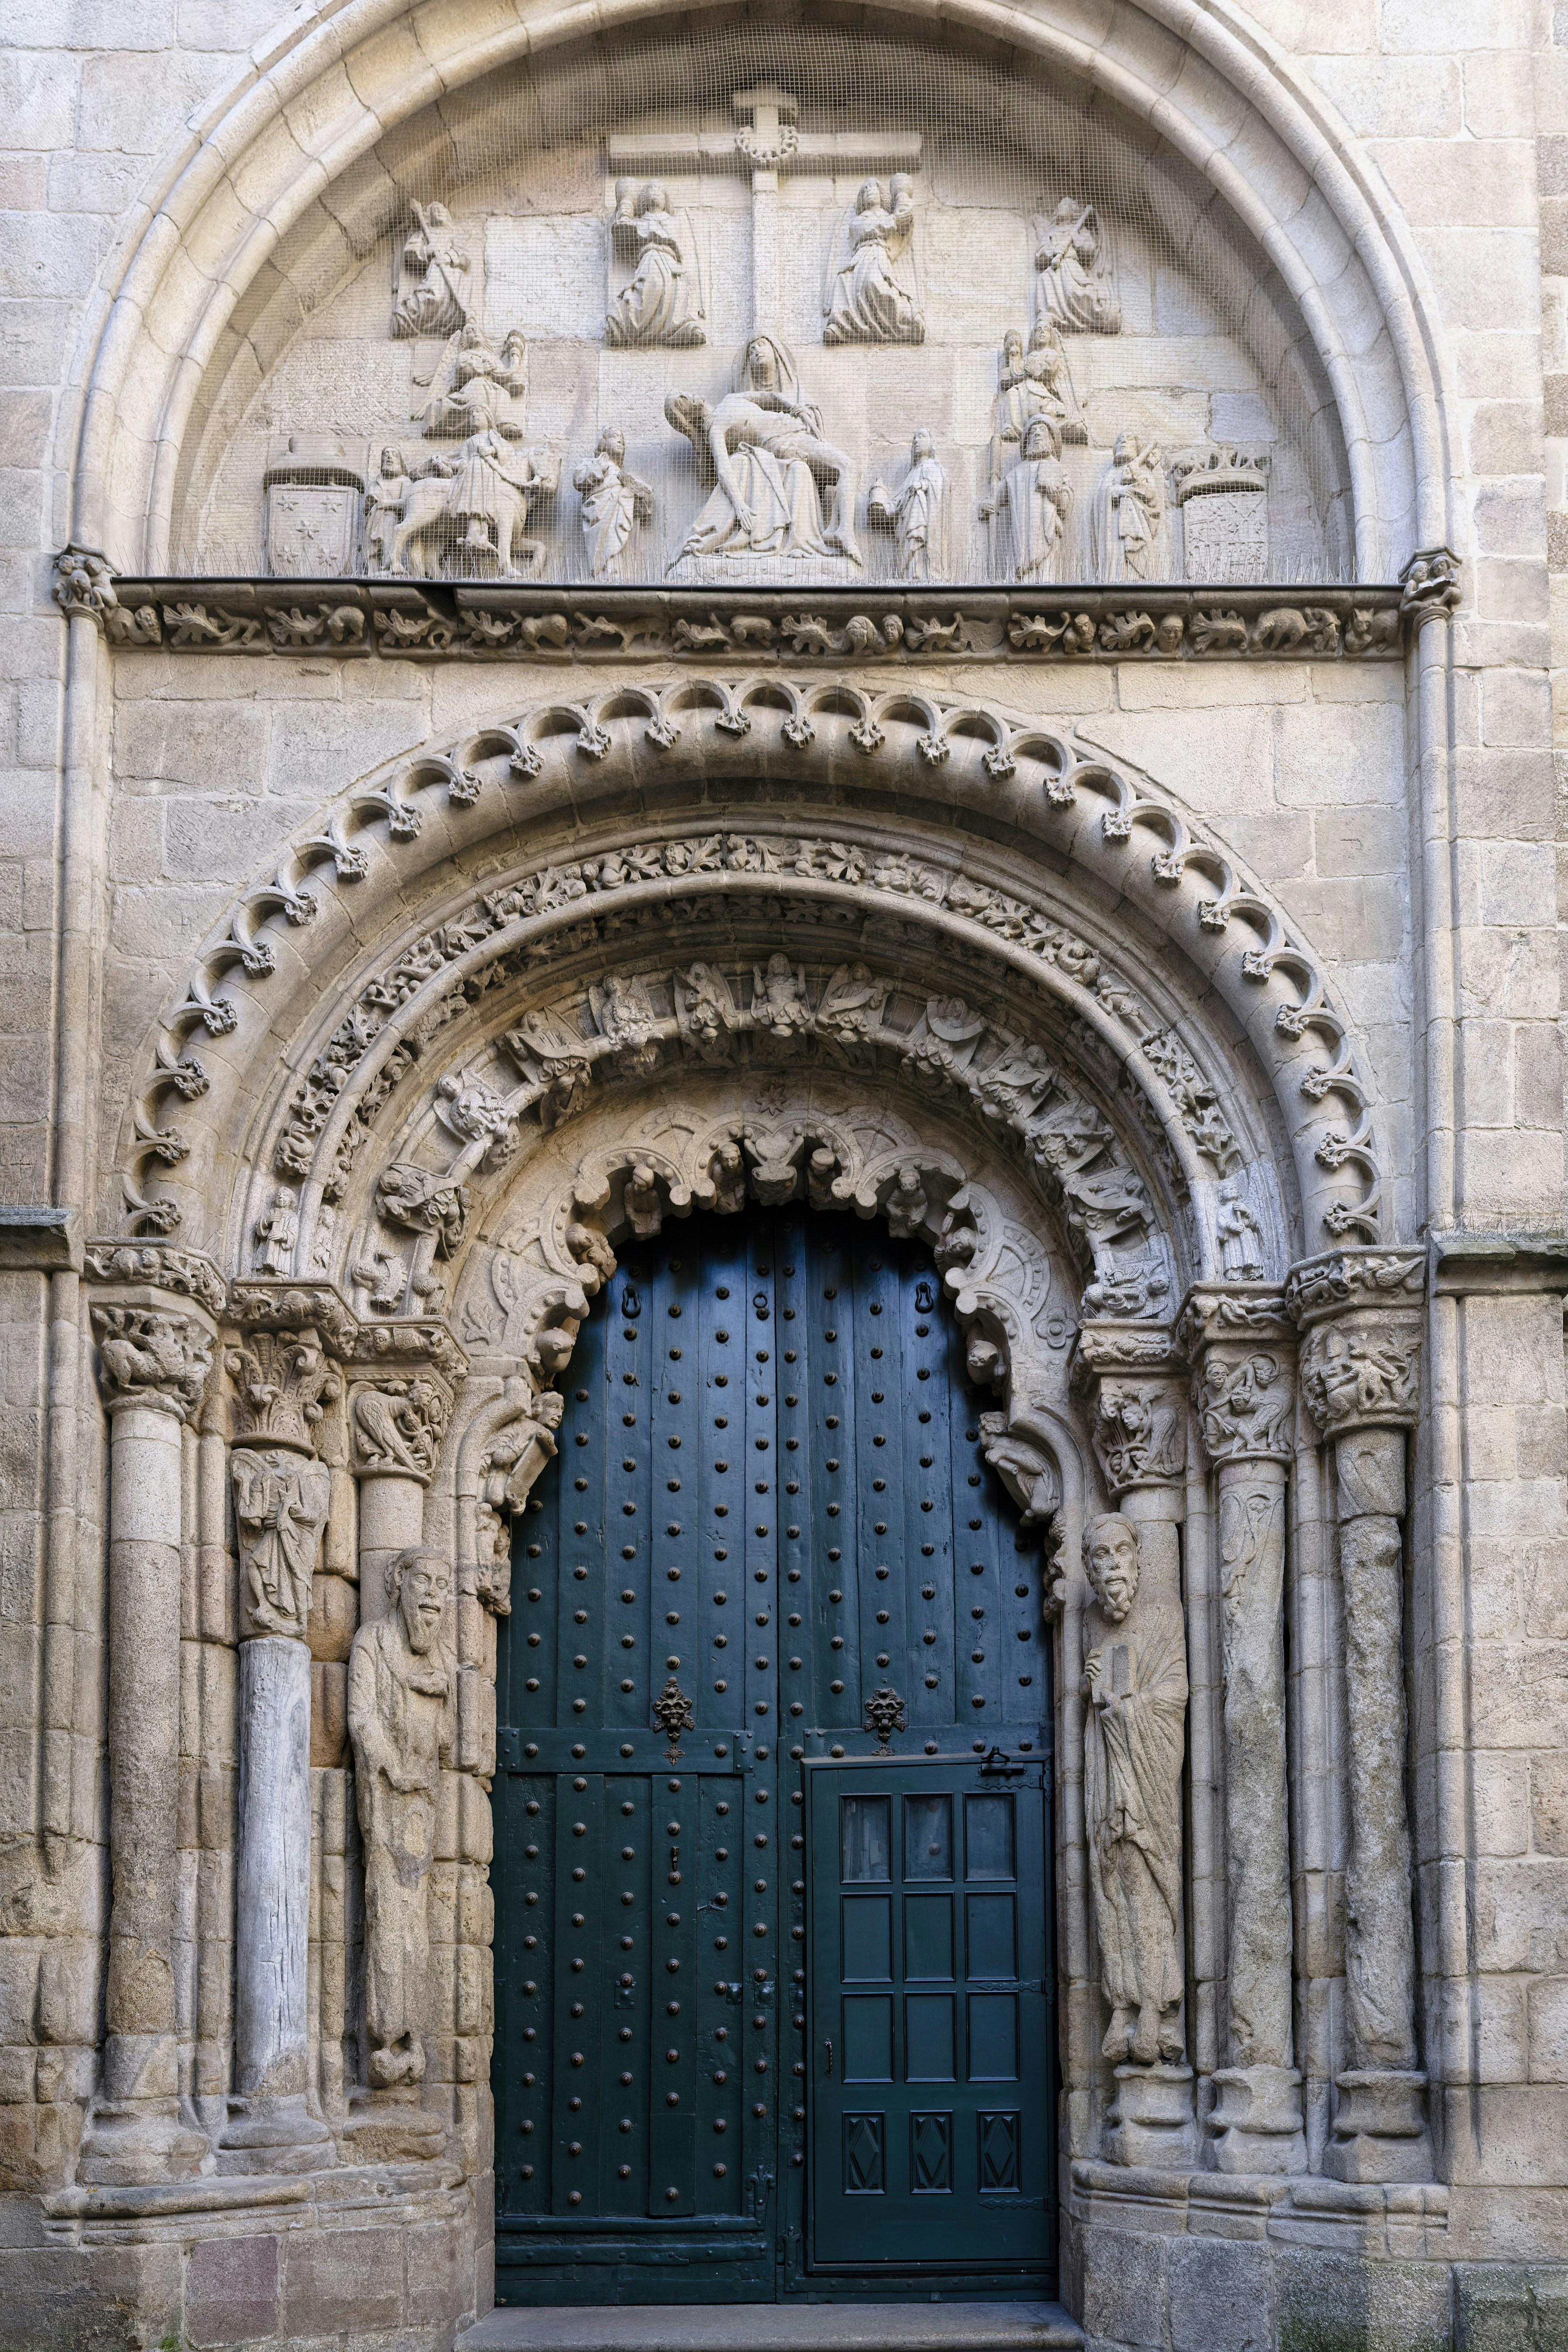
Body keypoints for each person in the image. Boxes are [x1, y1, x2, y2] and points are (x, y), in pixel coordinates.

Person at [1081, 1514, 1188, 2068]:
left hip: (1146, 1772)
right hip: (1106, 1769)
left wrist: (1127, 1709)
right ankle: (1120, 2002)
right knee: (1110, 1879)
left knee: (1144, 1880)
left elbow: (1174, 1694)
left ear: (1138, 1558)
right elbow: (1095, 1699)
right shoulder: (1091, 1625)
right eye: (1099, 1557)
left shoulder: (1163, 1613)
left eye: (1120, 1552)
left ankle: (1156, 2007)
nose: (1111, 1564)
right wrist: (1094, 1687)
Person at [347, 1549, 454, 2089]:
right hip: (388, 1800)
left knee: (417, 1913)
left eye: (443, 1584)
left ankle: (413, 2033)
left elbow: (452, 1739)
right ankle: (386, 2034)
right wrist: (392, 1765)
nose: (433, 1594)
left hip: (425, 1806)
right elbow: (361, 1717)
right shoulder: (372, 1642)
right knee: (389, 1907)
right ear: (398, 1585)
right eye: (423, 1581)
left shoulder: (444, 1660)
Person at [665, 335, 860, 567]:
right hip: (785, 442)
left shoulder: (730, 399)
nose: (689, 396)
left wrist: (797, 409)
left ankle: (836, 530)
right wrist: (740, 506)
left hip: (794, 427)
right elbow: (724, 472)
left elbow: (769, 398)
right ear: (686, 417)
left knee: (847, 468)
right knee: (849, 467)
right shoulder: (716, 428)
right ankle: (843, 532)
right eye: (682, 401)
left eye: (684, 394)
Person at [822, 176, 924, 345]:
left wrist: (903, 203)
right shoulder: (858, 221)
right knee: (842, 282)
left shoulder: (887, 216)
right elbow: (867, 230)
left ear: (882, 194)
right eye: (864, 190)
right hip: (860, 261)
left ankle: (908, 320)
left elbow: (901, 231)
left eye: (872, 188)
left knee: (874, 283)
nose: (868, 191)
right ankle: (841, 326)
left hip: (878, 259)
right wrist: (894, 221)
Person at [606, 181, 705, 347]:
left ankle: (676, 326)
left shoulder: (676, 221)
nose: (655, 193)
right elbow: (622, 239)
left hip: (671, 262)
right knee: (653, 284)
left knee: (680, 288)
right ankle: (627, 325)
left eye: (659, 190)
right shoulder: (638, 221)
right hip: (650, 258)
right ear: (644, 198)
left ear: (666, 199)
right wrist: (624, 214)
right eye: (651, 190)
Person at [982, 412, 1074, 581]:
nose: (1037, 434)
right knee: (1023, 577)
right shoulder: (1018, 472)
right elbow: (997, 498)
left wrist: (1054, 494)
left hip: (1049, 533)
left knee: (1047, 577)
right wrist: (987, 505)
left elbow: (1066, 504)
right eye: (1033, 432)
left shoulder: (1058, 469)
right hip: (1022, 538)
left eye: (1042, 431)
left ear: (1052, 440)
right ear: (1026, 442)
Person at [574, 426, 653, 579]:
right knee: (602, 546)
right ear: (603, 443)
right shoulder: (592, 463)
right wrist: (599, 468)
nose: (620, 441)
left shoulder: (624, 476)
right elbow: (578, 481)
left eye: (622, 441)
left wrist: (641, 492)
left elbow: (643, 508)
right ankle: (600, 573)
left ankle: (613, 572)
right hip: (599, 512)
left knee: (615, 545)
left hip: (618, 513)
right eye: (615, 436)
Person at [869, 427, 948, 581]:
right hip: (906, 525)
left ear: (932, 443)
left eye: (922, 436)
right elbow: (900, 501)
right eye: (914, 439)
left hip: (922, 520)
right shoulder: (912, 473)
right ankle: (911, 575)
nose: (917, 441)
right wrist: (882, 507)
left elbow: (940, 486)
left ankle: (923, 575)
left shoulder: (932, 466)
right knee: (909, 553)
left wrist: (923, 485)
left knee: (918, 544)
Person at [1034, 197, 1121, 334]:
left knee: (1071, 290)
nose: (1061, 209)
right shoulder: (1050, 233)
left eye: (1065, 206)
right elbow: (1039, 256)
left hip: (1072, 265)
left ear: (1071, 212)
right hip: (1055, 269)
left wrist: (1077, 239)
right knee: (1043, 279)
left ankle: (1098, 317)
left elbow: (1090, 250)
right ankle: (1052, 316)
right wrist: (1052, 252)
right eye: (1060, 206)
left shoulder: (1078, 230)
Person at [1091, 432, 1167, 581]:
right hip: (1114, 533)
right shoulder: (1111, 473)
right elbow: (1101, 498)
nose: (1124, 442)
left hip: (1138, 528)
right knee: (1117, 565)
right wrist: (1120, 491)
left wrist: (1135, 476)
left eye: (1129, 439)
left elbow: (1151, 494)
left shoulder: (1142, 471)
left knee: (1140, 565)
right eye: (1120, 440)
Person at [392, 201, 471, 339]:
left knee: (447, 300)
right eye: (435, 210)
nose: (439, 212)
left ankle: (452, 320)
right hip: (435, 271)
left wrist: (449, 258)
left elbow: (465, 258)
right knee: (435, 296)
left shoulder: (452, 235)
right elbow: (411, 252)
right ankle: (409, 315)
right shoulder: (423, 234)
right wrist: (427, 251)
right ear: (429, 216)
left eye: (442, 210)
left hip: (451, 274)